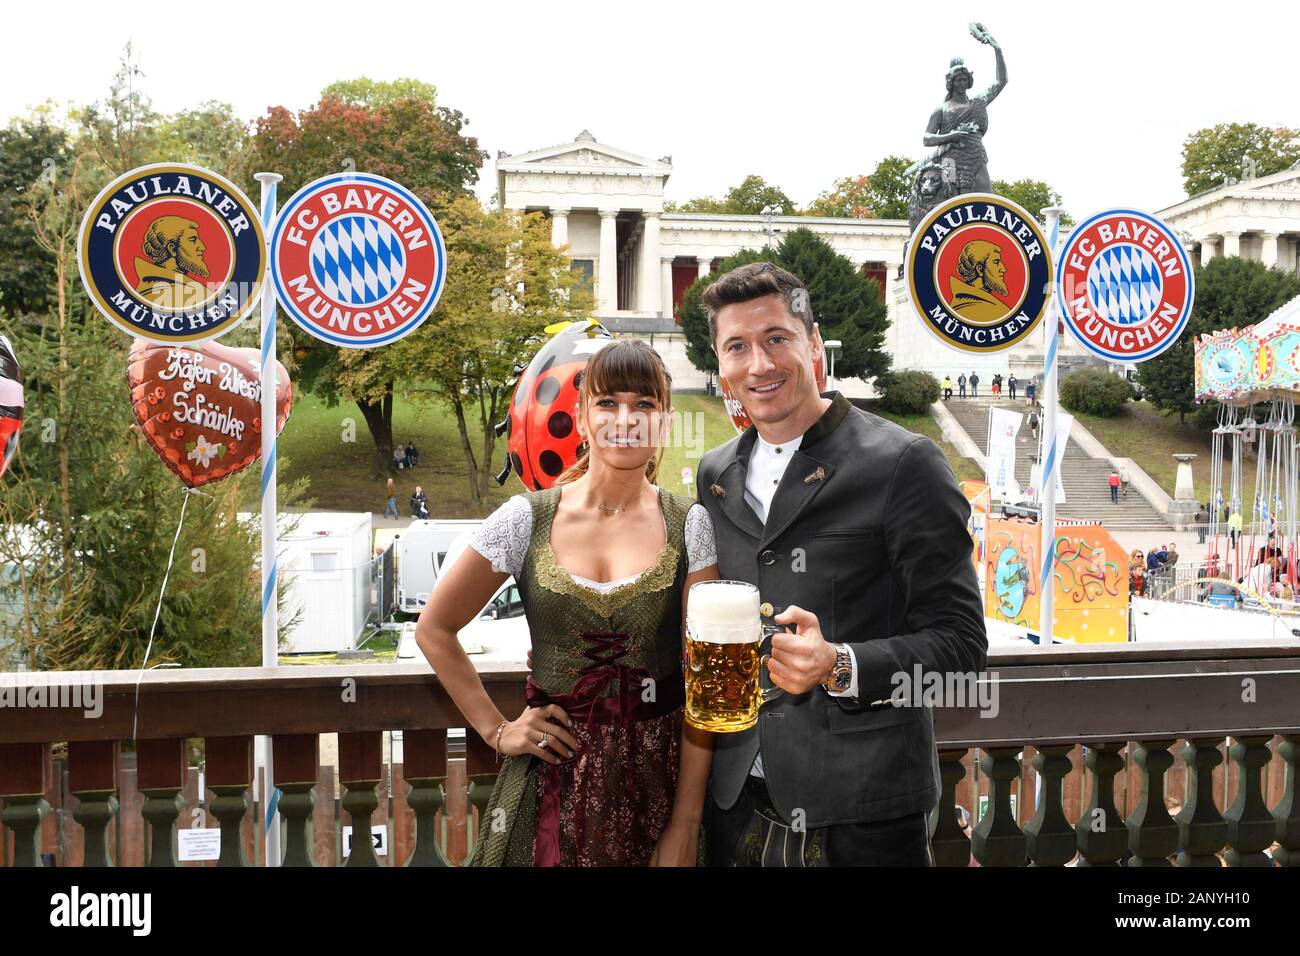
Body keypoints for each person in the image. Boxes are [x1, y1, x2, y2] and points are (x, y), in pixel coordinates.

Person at [696, 262, 986, 866]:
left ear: (814, 344)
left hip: (866, 808)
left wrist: (842, 665)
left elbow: (962, 647)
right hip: (734, 803)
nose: (759, 364)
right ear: (720, 366)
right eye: (737, 347)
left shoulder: (906, 463)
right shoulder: (713, 472)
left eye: (777, 338)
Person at [416, 340, 720, 867]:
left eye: (644, 405)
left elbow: (705, 684)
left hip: (659, 782)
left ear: (666, 424)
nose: (626, 419)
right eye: (607, 403)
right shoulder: (525, 519)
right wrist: (497, 729)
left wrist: (686, 823)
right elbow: (434, 628)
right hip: (547, 781)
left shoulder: (689, 525)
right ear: (581, 419)